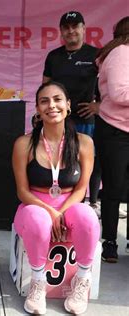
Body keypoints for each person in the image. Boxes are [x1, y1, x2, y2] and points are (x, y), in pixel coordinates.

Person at [12, 81, 100, 315]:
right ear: (38, 110)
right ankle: (38, 282)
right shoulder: (24, 144)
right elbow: (22, 191)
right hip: (34, 206)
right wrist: (50, 212)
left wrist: (60, 212)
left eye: (57, 99)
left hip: (69, 204)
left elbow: (82, 189)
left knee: (88, 216)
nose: (52, 105)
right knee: (39, 220)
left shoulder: (84, 143)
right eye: (44, 101)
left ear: (68, 105)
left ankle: (82, 279)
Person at [42, 11, 104, 218]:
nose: (71, 31)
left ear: (84, 28)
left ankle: (92, 202)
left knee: (90, 159)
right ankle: (59, 199)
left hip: (86, 118)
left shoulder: (97, 55)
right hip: (58, 119)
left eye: (75, 26)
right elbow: (45, 87)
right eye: (66, 28)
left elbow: (110, 85)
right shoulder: (54, 56)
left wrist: (99, 106)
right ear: (61, 32)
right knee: (60, 159)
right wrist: (42, 110)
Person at [94, 16, 129, 262]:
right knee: (113, 188)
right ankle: (110, 241)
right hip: (116, 130)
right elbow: (118, 93)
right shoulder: (121, 53)